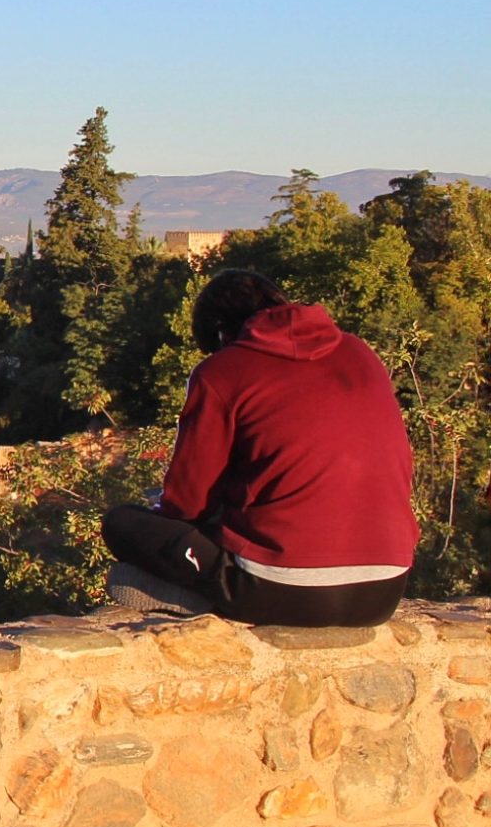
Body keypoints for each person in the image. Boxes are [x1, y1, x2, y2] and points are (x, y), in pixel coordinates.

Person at [102, 268, 415, 626]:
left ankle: (195, 594)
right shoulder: (360, 352)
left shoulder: (222, 371)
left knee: (122, 523)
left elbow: (188, 503)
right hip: (383, 592)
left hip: (276, 590)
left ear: (221, 333)